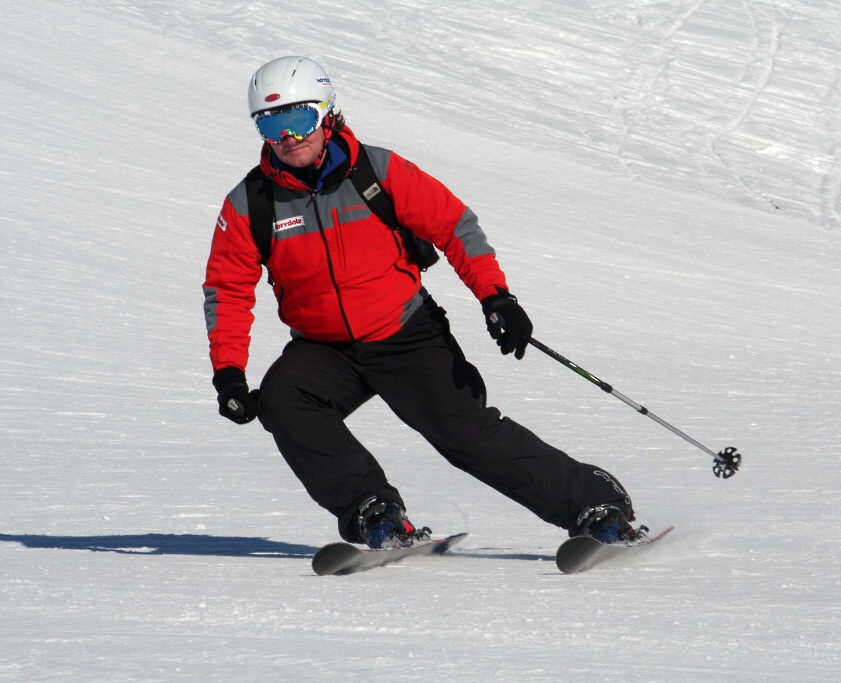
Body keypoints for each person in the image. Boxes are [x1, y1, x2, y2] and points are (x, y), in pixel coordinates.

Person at [202, 56, 645, 549]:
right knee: (285, 400)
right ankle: (374, 511)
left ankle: (593, 502)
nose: (287, 137)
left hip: (405, 332)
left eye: (297, 119)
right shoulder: (250, 203)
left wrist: (496, 298)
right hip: (324, 349)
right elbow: (228, 289)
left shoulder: (378, 172)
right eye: (271, 124)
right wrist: (229, 373)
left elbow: (457, 227)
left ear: (327, 113)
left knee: (465, 436)